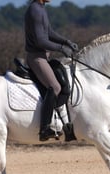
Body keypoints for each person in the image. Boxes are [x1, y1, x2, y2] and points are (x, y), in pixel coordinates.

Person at [24, 0, 79, 141]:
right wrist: (61, 49)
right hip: (37, 58)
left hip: (44, 57)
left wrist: (66, 42)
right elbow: (40, 41)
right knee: (54, 87)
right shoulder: (35, 10)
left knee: (64, 83)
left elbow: (49, 32)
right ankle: (44, 128)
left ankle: (62, 123)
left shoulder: (41, 8)